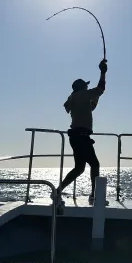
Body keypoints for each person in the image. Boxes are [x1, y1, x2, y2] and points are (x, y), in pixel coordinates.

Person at [53, 59, 108, 205]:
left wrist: (95, 96)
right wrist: (103, 72)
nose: (87, 88)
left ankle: (58, 191)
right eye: (86, 86)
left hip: (76, 137)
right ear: (82, 88)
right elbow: (101, 88)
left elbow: (91, 107)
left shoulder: (74, 97)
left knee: (79, 168)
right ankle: (94, 196)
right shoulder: (82, 95)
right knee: (95, 165)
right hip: (82, 137)